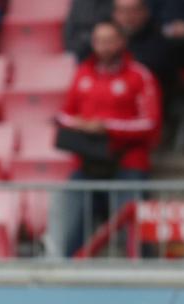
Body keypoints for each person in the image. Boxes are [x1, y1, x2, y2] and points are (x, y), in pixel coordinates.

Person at [51, 21, 162, 257]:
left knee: (135, 232)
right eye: (99, 41)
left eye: (110, 40)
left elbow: (150, 123)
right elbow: (64, 115)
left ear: (122, 42)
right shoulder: (82, 73)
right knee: (73, 230)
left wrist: (106, 128)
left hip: (127, 163)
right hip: (87, 162)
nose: (104, 46)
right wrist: (79, 124)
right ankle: (67, 273)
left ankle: (148, 273)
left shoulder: (139, 75)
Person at [113, 0, 177, 91]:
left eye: (134, 11)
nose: (128, 16)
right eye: (123, 11)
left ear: (145, 12)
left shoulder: (160, 42)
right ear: (114, 14)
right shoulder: (105, 38)